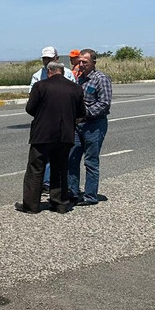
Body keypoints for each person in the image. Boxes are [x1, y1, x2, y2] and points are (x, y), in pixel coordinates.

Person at [16, 62, 85, 214]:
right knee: (60, 169)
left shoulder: (40, 86)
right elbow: (81, 112)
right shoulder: (76, 88)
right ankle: (60, 203)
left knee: (36, 168)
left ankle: (31, 205)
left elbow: (30, 108)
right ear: (62, 71)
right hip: (65, 134)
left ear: (49, 72)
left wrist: (43, 115)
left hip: (42, 133)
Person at [68, 49, 112, 206]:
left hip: (94, 125)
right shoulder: (79, 79)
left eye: (84, 62)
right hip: (77, 125)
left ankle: (90, 196)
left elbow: (104, 104)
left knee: (91, 161)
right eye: (79, 61)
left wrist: (85, 114)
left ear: (93, 62)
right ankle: (72, 192)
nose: (81, 65)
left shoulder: (101, 79)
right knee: (72, 159)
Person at [29, 46, 77, 193]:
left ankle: (56, 189)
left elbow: (75, 95)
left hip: (63, 123)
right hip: (44, 124)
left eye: (50, 58)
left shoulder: (68, 74)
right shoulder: (38, 76)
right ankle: (45, 185)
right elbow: (31, 102)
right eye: (45, 59)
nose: (47, 61)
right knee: (40, 159)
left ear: (56, 58)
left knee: (59, 159)